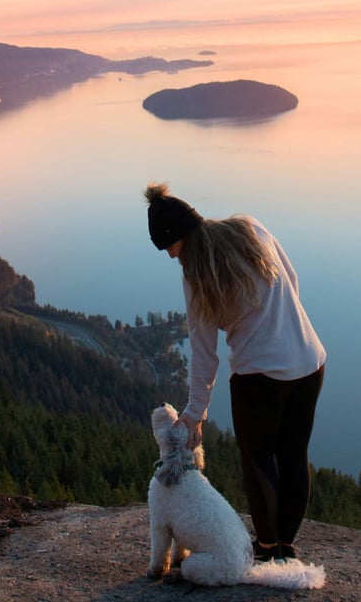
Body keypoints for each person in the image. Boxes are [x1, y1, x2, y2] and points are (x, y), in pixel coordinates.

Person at [144, 182, 326, 562]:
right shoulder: (251, 228)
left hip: (259, 377)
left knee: (258, 459)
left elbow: (203, 352)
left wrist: (195, 413)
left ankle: (266, 548)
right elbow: (292, 281)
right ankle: (287, 547)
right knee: (294, 455)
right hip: (309, 362)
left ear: (178, 238)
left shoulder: (197, 276)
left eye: (169, 248)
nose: (171, 257)